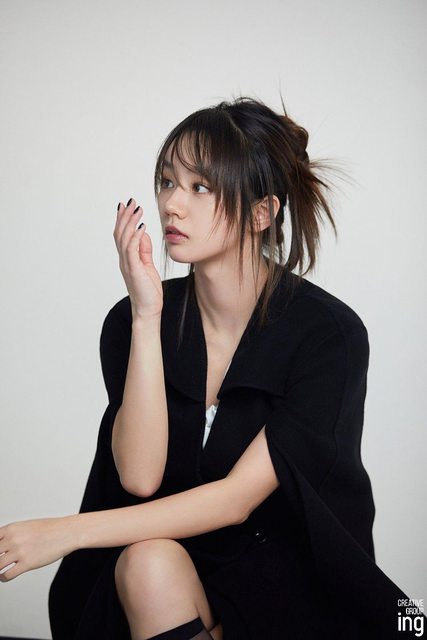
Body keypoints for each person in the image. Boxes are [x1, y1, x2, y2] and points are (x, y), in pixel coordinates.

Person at [0, 95, 425, 640]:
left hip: (289, 584)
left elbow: (236, 501)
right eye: (167, 181)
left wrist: (67, 532)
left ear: (261, 213)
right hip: (174, 574)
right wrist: (147, 316)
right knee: (147, 563)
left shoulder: (328, 335)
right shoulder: (132, 320)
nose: (172, 205)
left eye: (200, 187)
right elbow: (139, 477)